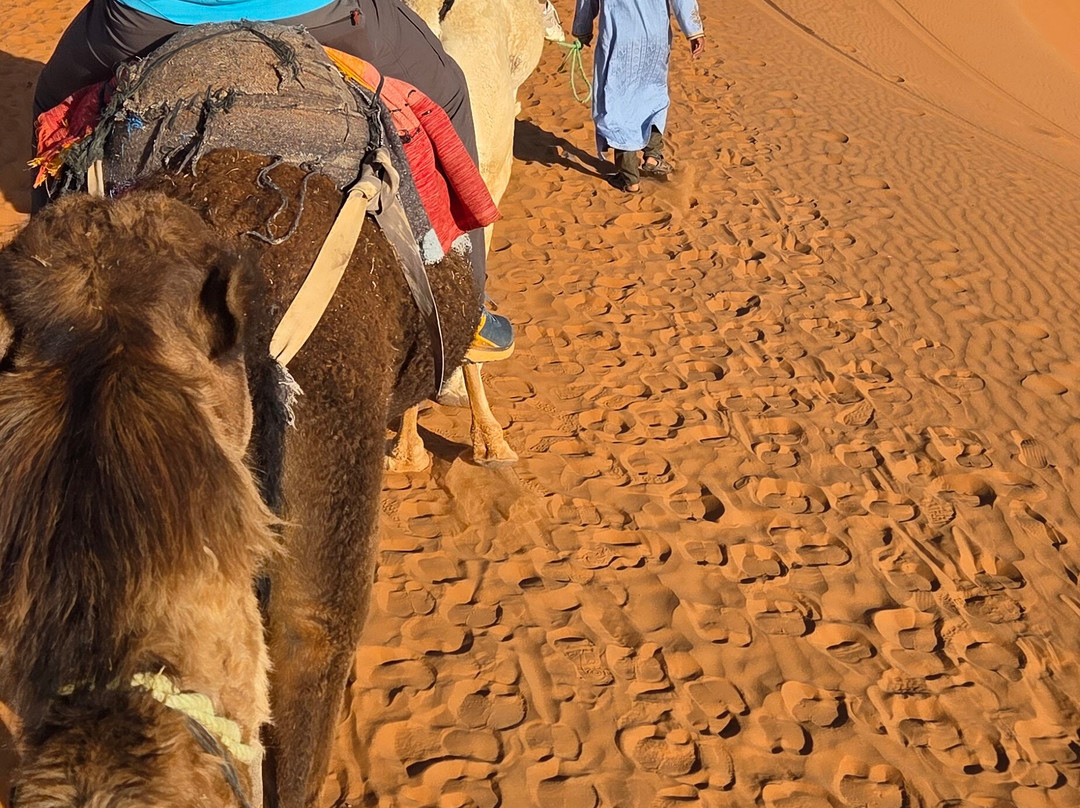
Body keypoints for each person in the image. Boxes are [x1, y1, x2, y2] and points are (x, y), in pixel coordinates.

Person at [33, 0, 514, 360]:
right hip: (314, 12)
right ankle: (464, 307)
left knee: (52, 109)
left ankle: (48, 305)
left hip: (147, 22)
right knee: (448, 90)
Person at [571, 0, 704, 193]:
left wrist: (582, 30)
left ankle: (630, 179)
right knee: (652, 94)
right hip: (655, 37)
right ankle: (653, 156)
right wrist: (694, 31)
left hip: (620, 39)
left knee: (619, 104)